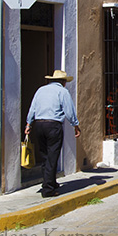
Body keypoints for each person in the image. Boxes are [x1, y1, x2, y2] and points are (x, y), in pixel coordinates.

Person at [25, 70, 81, 198]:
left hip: (39, 125)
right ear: (63, 82)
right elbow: (69, 110)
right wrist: (75, 126)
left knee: (45, 156)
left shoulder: (40, 90)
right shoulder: (62, 92)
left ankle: (49, 182)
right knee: (52, 156)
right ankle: (48, 189)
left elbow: (32, 108)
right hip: (53, 126)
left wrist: (28, 124)